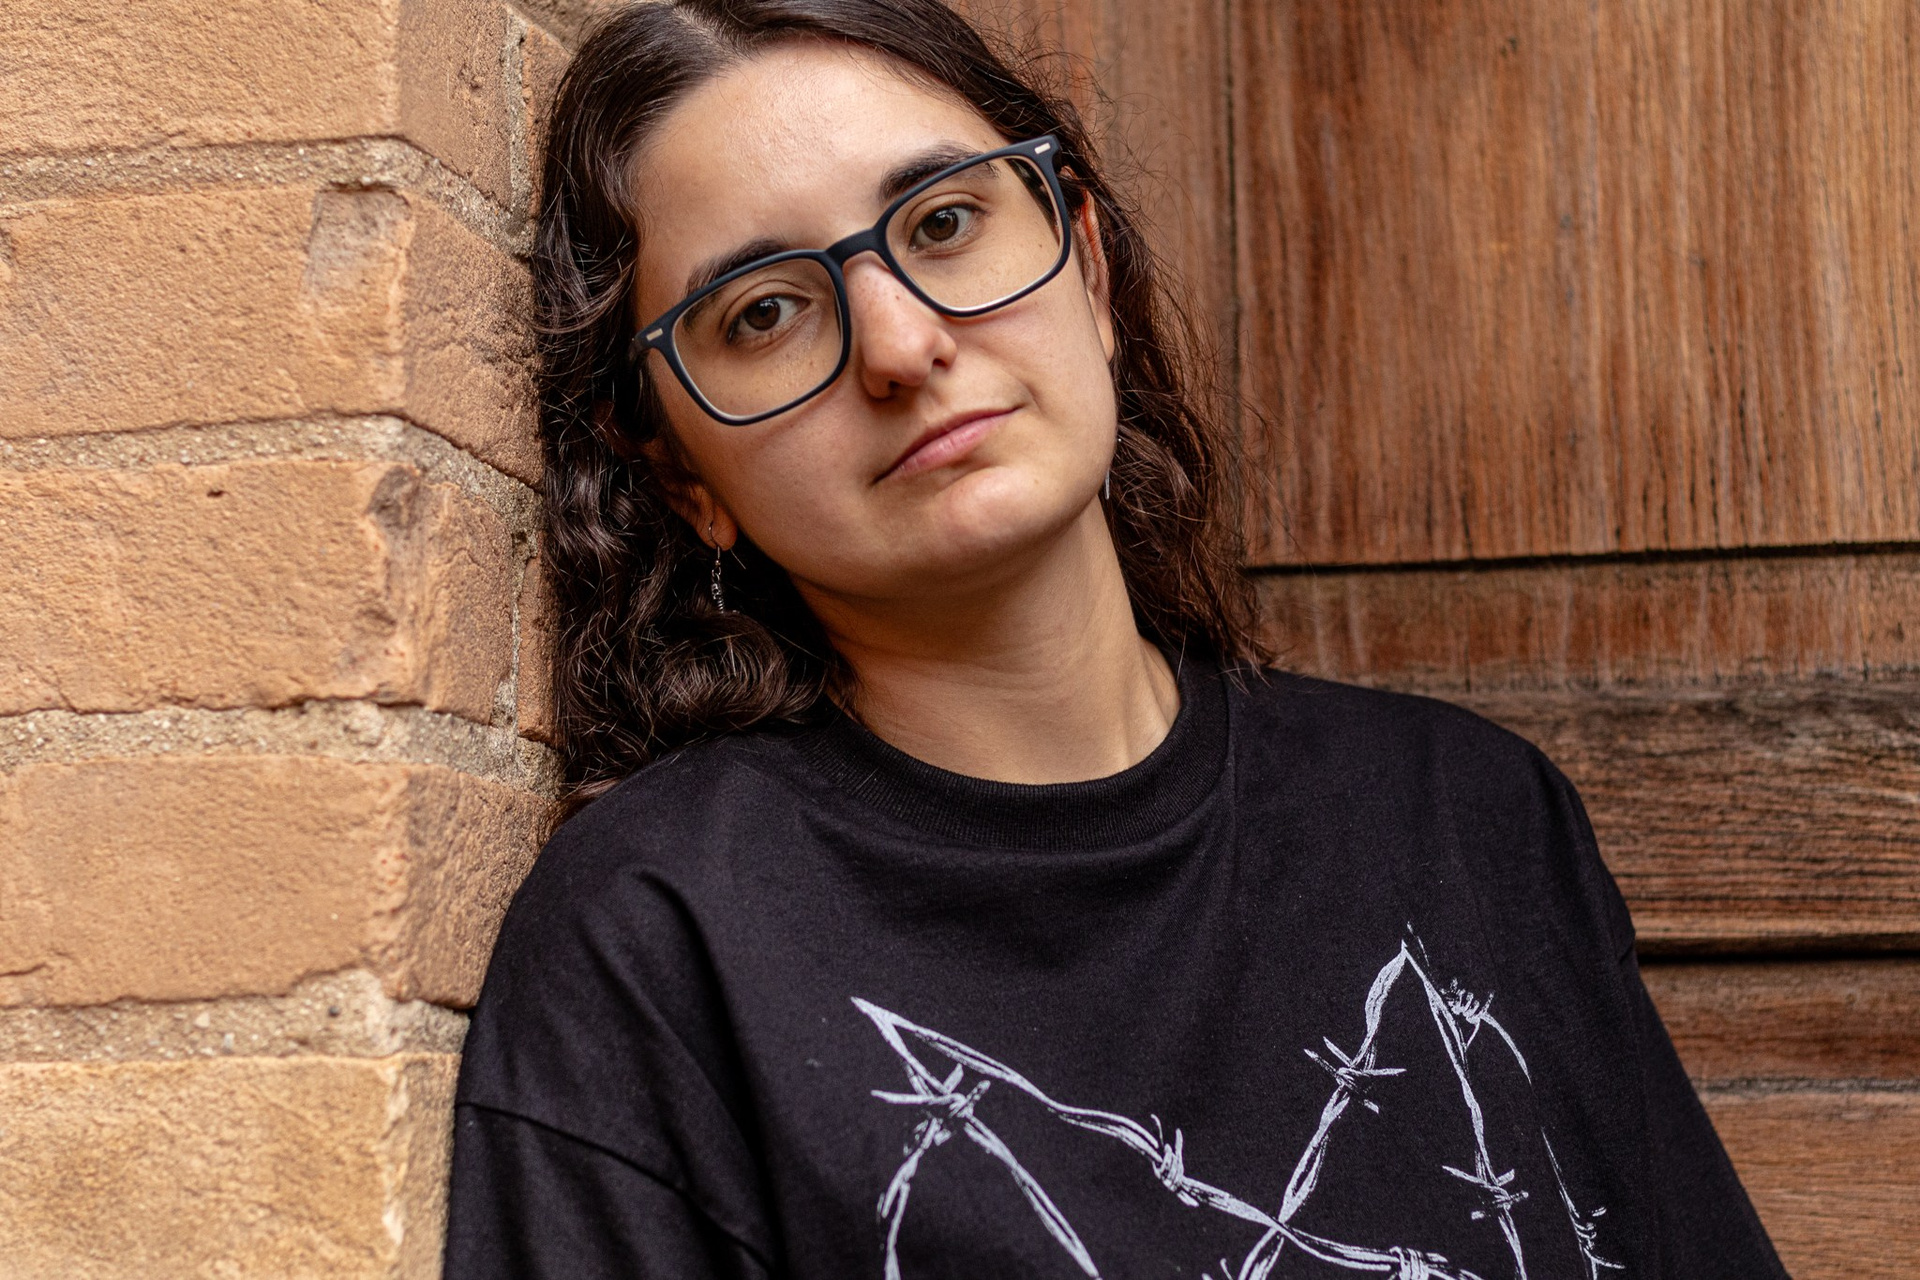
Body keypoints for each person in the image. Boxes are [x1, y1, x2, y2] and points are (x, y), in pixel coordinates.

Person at [444, 2, 1787, 1277]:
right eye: (765, 312)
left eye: (945, 222)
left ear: (1084, 267)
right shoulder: (655, 939)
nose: (901, 345)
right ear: (680, 470)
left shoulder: (1472, 818)